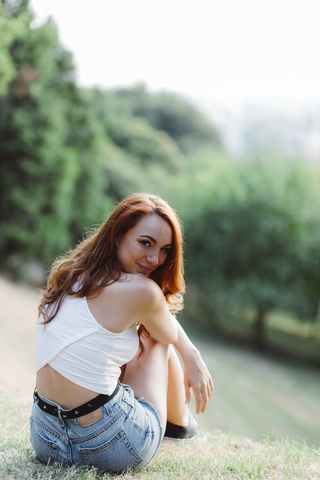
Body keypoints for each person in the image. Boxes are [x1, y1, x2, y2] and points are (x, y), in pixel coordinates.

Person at [30, 193, 214, 473]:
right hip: (110, 444)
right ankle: (182, 427)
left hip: (46, 438)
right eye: (145, 243)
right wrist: (191, 354)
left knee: (141, 333)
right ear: (117, 236)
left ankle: (182, 426)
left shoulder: (71, 275)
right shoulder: (143, 292)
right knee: (155, 339)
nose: (155, 259)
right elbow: (164, 331)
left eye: (165, 249)